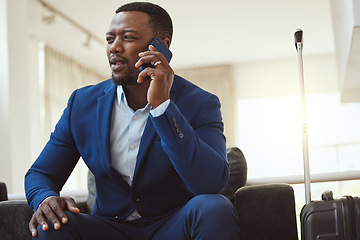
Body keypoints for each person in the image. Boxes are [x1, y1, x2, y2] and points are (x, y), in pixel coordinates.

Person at [25, 2, 240, 239]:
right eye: (109, 39)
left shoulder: (200, 103)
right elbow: (41, 173)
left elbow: (210, 183)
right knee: (52, 224)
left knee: (214, 207)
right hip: (107, 228)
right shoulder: (82, 103)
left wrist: (163, 107)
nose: (114, 47)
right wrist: (45, 199)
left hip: (172, 225)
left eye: (127, 38)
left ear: (161, 46)